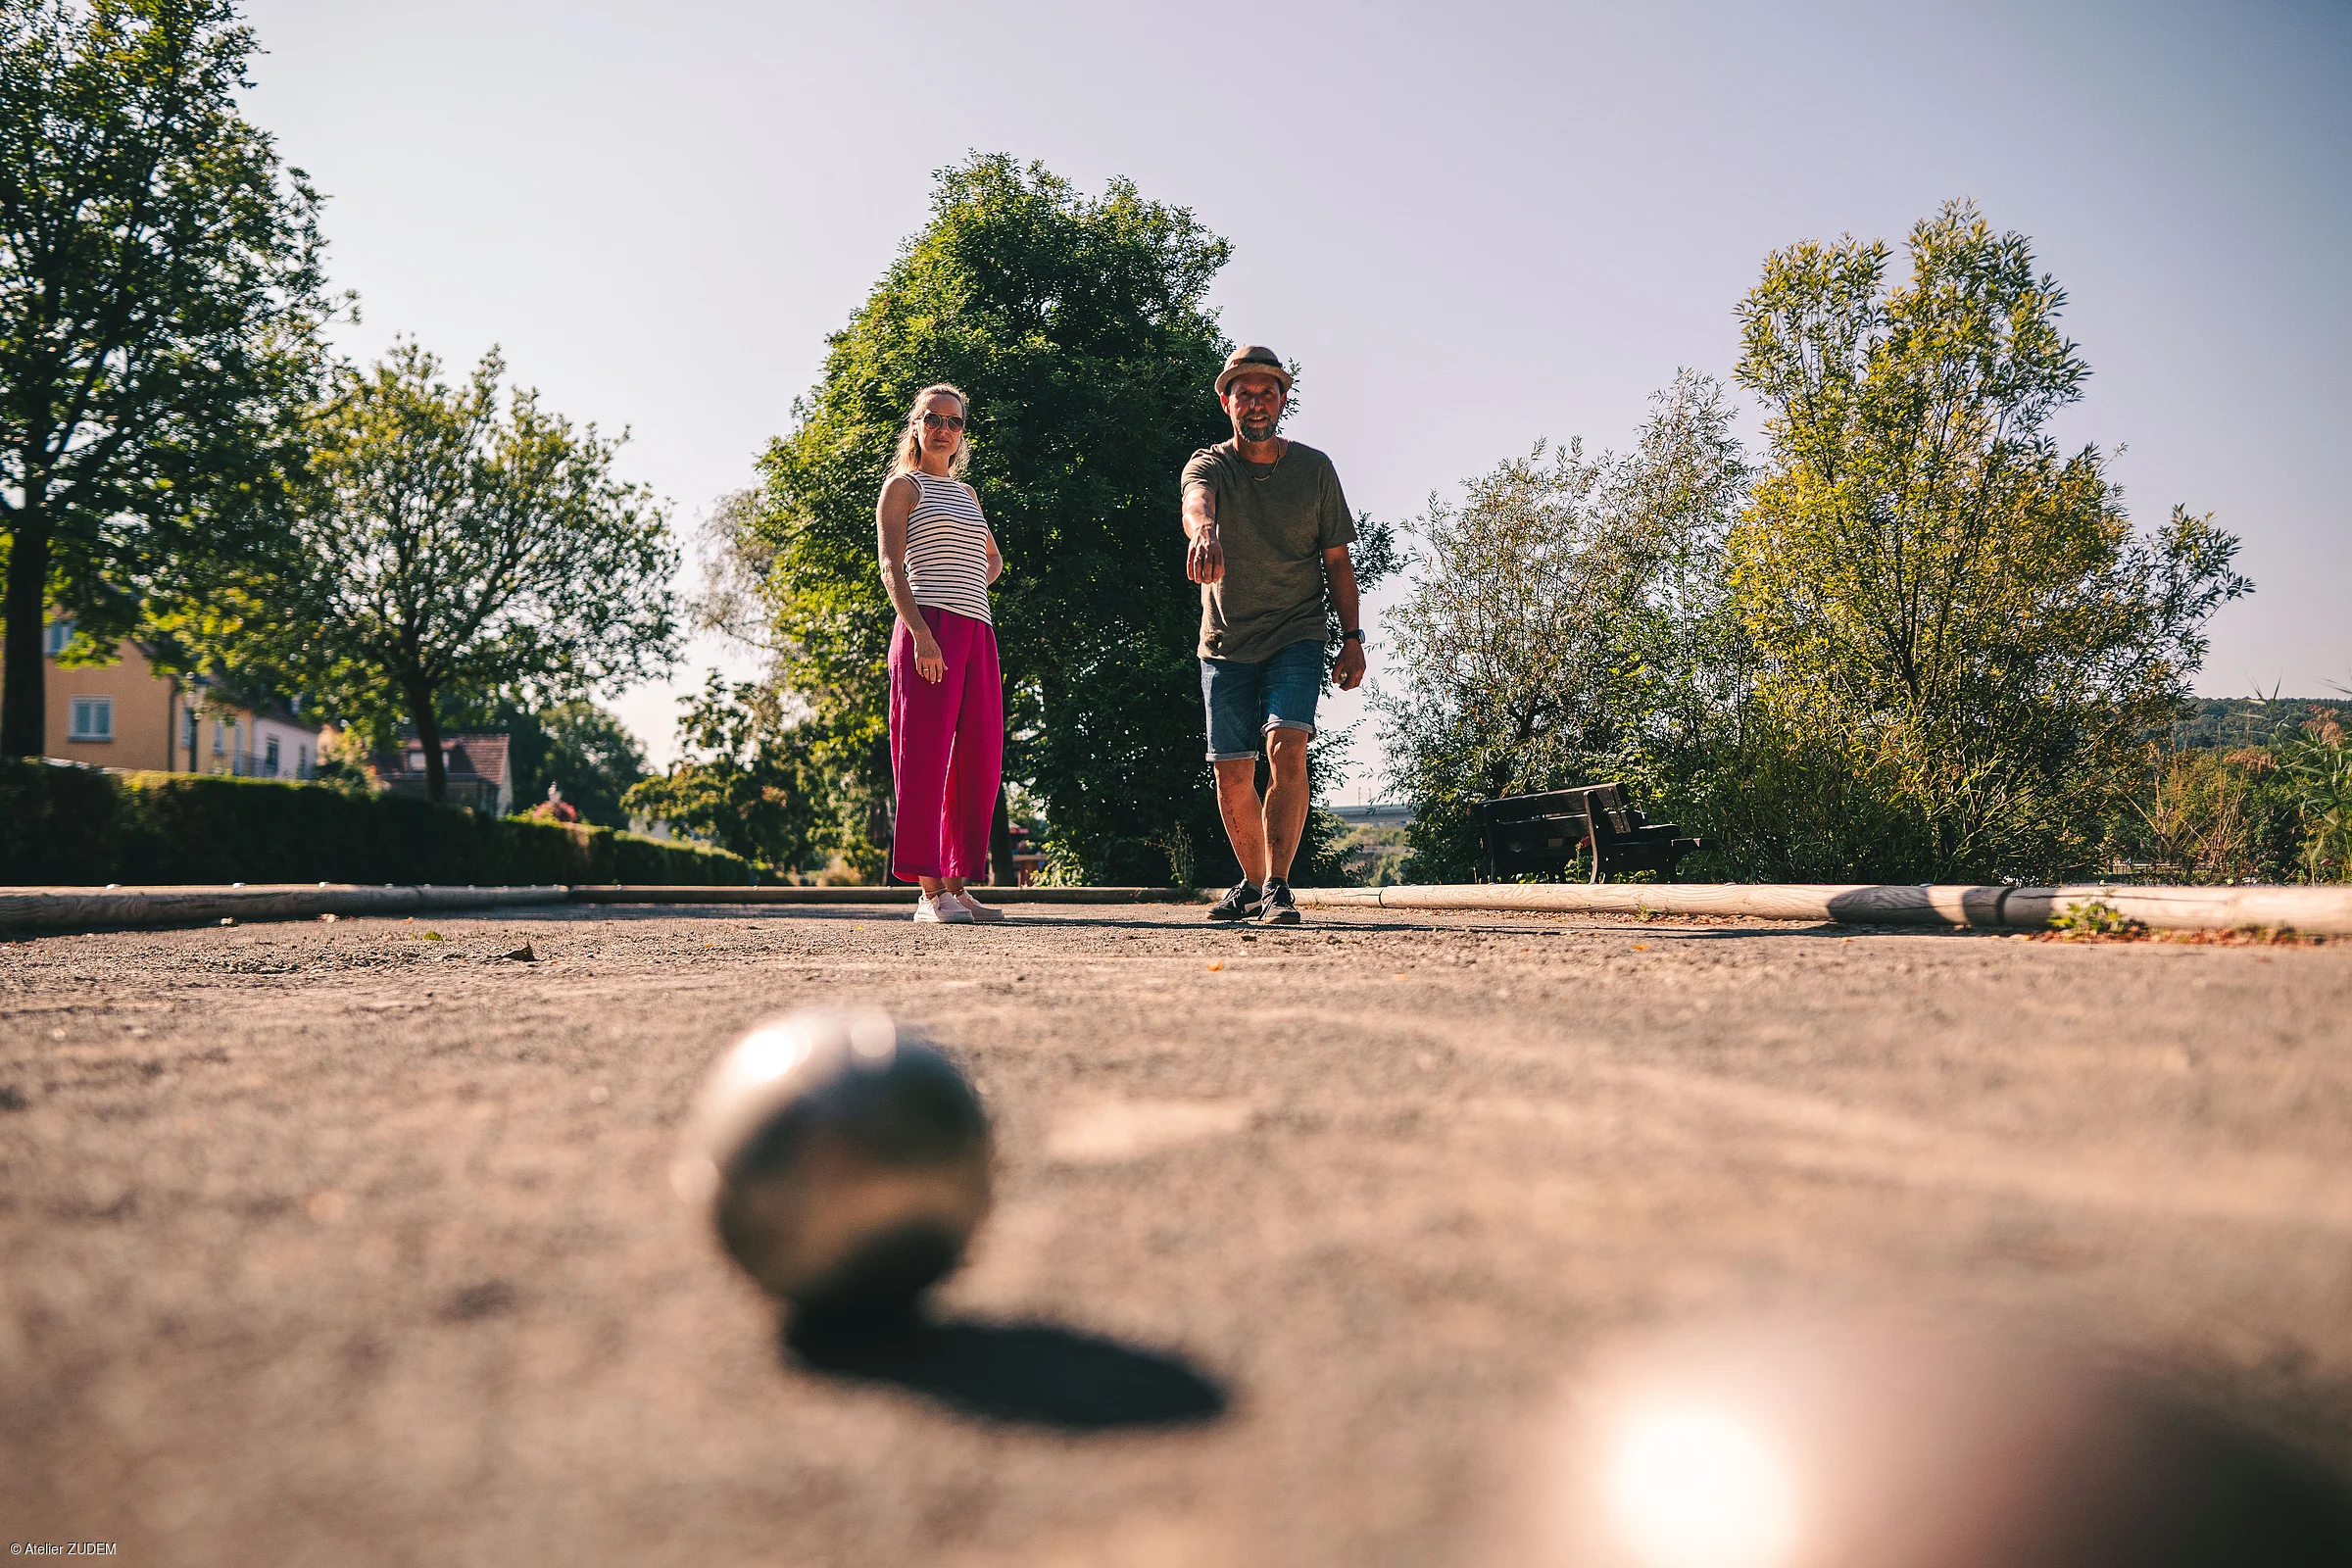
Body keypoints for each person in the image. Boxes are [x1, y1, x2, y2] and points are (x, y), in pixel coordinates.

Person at [1182, 345, 1367, 925]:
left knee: (1287, 744)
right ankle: (1252, 882)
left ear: (1283, 400)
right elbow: (1196, 502)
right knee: (1231, 769)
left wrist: (1353, 637)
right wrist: (1205, 532)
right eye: (1245, 393)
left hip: (1297, 632)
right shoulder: (1209, 464)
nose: (1256, 403)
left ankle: (1278, 886)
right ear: (1227, 402)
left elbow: (1337, 561)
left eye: (1267, 393)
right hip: (1225, 640)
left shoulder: (1314, 469)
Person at [875, 382, 1005, 924]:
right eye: (933, 418)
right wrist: (923, 633)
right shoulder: (902, 487)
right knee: (924, 758)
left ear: (962, 432)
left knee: (979, 757)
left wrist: (969, 580)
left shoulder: (967, 493)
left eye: (954, 421)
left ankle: (956, 884)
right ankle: (929, 895)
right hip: (928, 629)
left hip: (977, 630)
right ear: (916, 425)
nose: (944, 429)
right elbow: (890, 566)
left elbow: (993, 560)